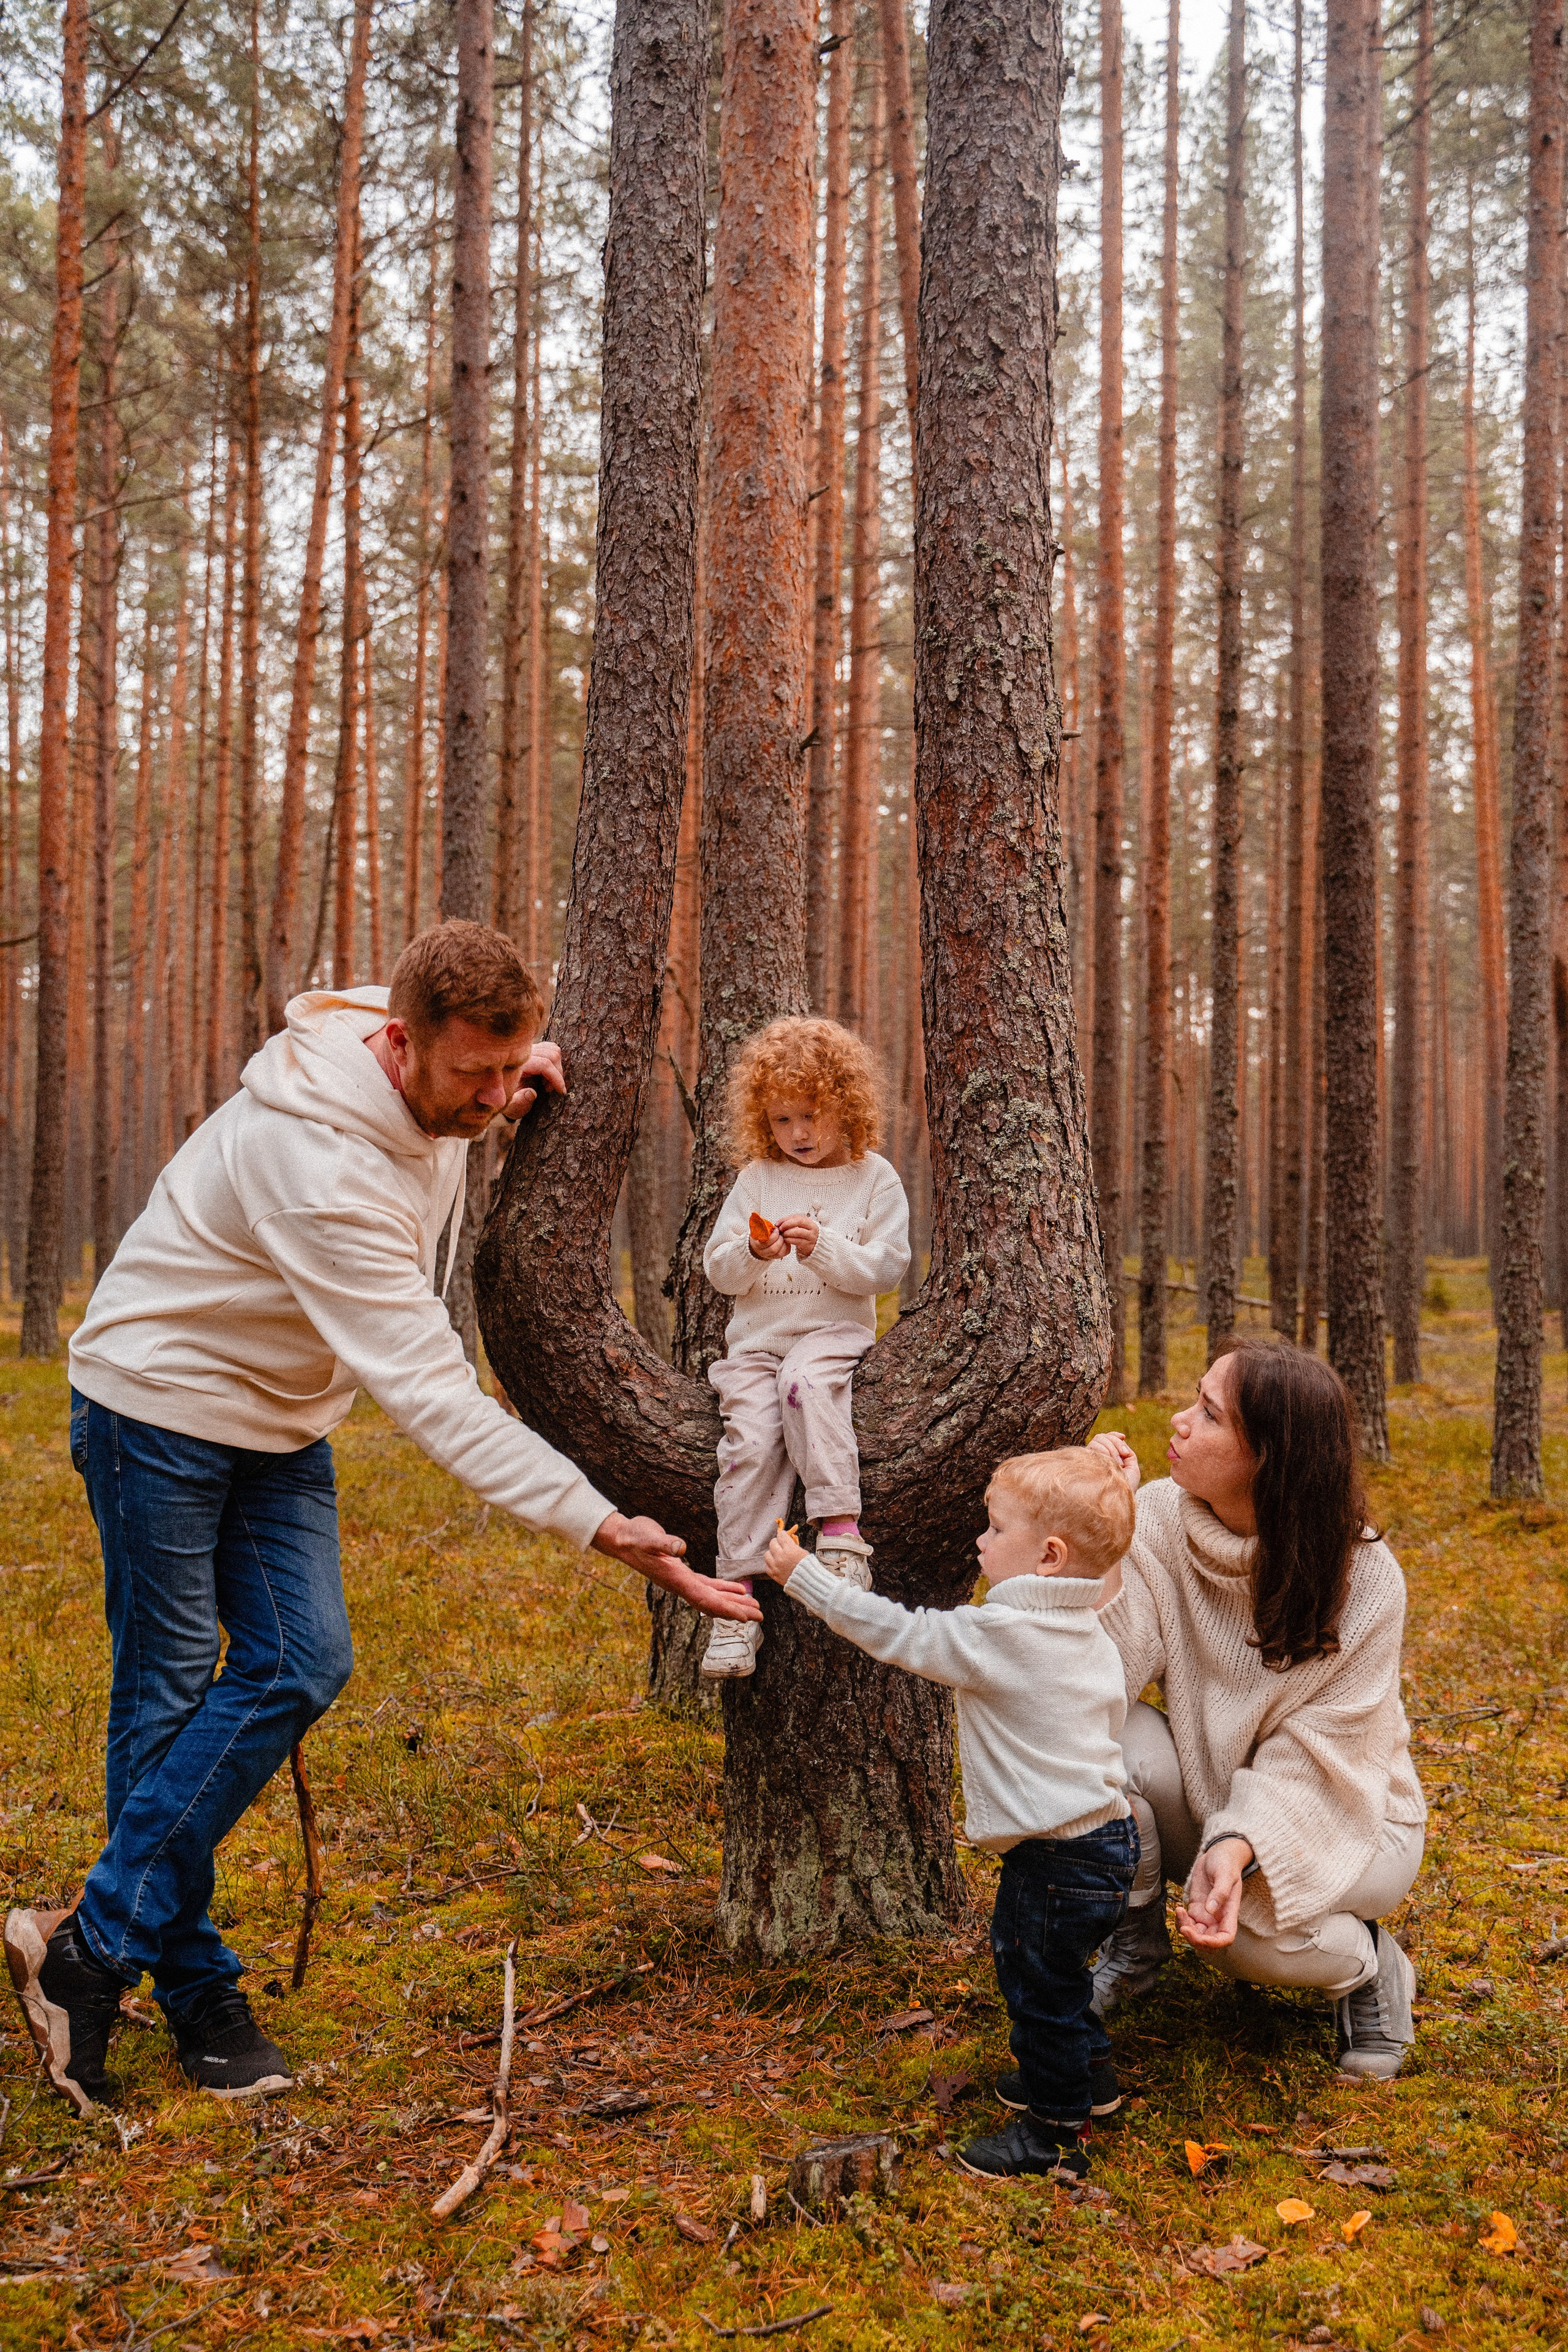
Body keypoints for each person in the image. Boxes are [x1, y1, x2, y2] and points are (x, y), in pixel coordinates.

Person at [5, 921, 758, 2114]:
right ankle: (187, 1988)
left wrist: (505, 1069)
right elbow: (432, 1397)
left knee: (303, 1660)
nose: (496, 1099)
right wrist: (597, 1523)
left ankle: (90, 1944)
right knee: (167, 1696)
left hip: (278, 1421)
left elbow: (463, 1049)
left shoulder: (419, 1050)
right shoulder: (321, 1165)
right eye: (473, 1075)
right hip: (157, 1405)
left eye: (508, 1070)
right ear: (399, 1044)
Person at [761, 1447, 1138, 2180]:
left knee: (1036, 1990)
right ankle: (1088, 2079)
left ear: (1049, 1556)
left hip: (1054, 1859)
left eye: (995, 1529)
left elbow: (897, 1633)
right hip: (1109, 1843)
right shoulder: (1085, 1625)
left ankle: (1053, 2133)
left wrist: (802, 1575)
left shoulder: (1001, 1636)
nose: (979, 1541)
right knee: (1060, 1977)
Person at [1087, 1337, 1426, 2081]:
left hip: (1350, 1815)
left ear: (1269, 1458)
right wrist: (1109, 1540)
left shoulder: (1365, 1577)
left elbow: (1316, 1756)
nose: (1178, 1421)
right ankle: (1136, 1948)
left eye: (1208, 1414)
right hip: (1215, 1797)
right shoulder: (1158, 1516)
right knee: (1100, 1742)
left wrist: (1237, 1844)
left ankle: (1369, 1965)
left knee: (1243, 1943)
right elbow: (1102, 1683)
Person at [698, 1017, 910, 1679]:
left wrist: (824, 1247)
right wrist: (753, 1252)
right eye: (783, 1119)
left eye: (812, 1114)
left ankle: (841, 1536)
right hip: (757, 1348)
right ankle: (735, 1605)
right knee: (749, 1443)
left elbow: (886, 1267)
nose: (799, 1133)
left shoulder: (874, 1179)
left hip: (830, 1339)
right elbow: (719, 1269)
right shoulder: (758, 1178)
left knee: (807, 1386)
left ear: (847, 1104)